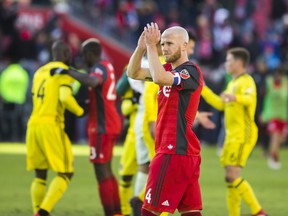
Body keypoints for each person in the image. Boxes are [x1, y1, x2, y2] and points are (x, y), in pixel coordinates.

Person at [127, 23, 203, 216]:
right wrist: (141, 47)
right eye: (162, 43)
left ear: (184, 45)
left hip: (173, 151)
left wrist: (152, 47)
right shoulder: (167, 68)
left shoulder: (190, 71)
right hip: (183, 153)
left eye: (169, 43)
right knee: (191, 212)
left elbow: (160, 78)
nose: (164, 48)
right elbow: (133, 73)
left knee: (149, 211)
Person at [59, 38, 122, 216]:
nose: (82, 58)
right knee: (107, 171)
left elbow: (93, 82)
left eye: (83, 54)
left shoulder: (98, 68)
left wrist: (68, 71)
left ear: (89, 54)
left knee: (101, 172)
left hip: (101, 127)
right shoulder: (107, 66)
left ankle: (110, 213)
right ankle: (117, 212)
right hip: (109, 123)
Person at [201, 47, 267, 216]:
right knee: (229, 178)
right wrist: (202, 88)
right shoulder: (232, 82)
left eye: (229, 60)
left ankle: (258, 211)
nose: (226, 64)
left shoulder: (247, 81)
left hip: (243, 134)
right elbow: (221, 104)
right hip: (231, 135)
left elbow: (249, 99)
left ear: (239, 62)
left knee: (233, 174)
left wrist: (235, 97)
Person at [26, 41, 85, 216]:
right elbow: (65, 97)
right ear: (67, 54)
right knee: (66, 172)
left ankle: (37, 210)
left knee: (40, 175)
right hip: (51, 124)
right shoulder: (63, 72)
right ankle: (43, 212)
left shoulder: (39, 72)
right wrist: (81, 111)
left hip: (33, 124)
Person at [261, 66, 288, 170]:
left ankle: (270, 152)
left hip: (284, 115)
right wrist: (262, 113)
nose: (278, 76)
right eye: (276, 74)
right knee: (275, 136)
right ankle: (273, 159)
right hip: (272, 114)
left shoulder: (286, 84)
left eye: (280, 74)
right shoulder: (268, 83)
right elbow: (262, 98)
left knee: (281, 139)